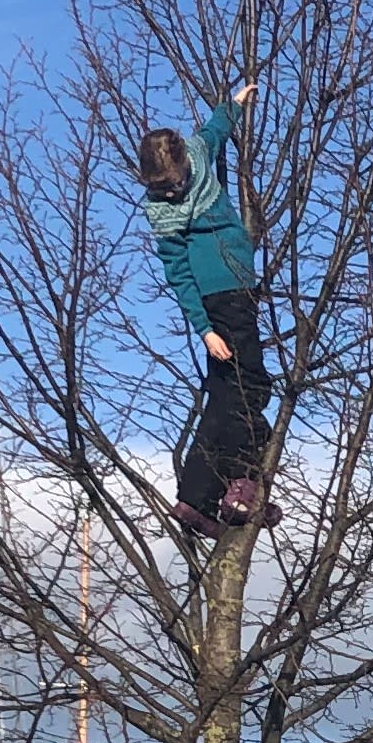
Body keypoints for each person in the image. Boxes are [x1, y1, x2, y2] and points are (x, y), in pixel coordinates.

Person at [136, 81, 270, 533]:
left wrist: (235, 103)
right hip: (222, 295)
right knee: (250, 386)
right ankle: (241, 485)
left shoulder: (196, 152)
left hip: (239, 285)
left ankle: (197, 499)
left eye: (174, 182)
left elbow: (214, 131)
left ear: (184, 163)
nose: (172, 192)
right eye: (161, 187)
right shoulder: (161, 211)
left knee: (224, 392)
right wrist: (204, 329)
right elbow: (177, 272)